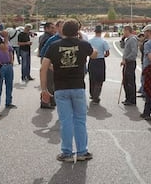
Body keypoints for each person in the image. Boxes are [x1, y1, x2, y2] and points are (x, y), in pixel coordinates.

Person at [40, 19, 98, 162]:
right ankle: (82, 152)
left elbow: (43, 67)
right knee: (80, 120)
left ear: (62, 31)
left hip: (60, 88)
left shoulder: (54, 46)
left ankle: (66, 152)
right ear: (77, 31)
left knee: (65, 121)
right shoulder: (83, 44)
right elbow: (94, 54)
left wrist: (44, 89)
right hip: (78, 87)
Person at [39, 20, 65, 109]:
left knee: (54, 84)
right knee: (49, 84)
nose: (63, 28)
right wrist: (48, 66)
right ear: (58, 28)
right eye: (61, 26)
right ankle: (45, 102)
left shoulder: (64, 38)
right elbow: (43, 53)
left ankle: (52, 100)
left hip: (58, 66)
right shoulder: (53, 39)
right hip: (50, 65)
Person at [88, 25, 110, 104]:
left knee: (92, 78)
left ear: (95, 32)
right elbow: (107, 53)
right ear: (101, 32)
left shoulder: (90, 41)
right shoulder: (103, 41)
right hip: (100, 61)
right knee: (99, 79)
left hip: (92, 60)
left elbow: (87, 52)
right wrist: (102, 55)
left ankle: (92, 94)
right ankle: (96, 96)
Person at [0, 35, 17, 110]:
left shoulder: (6, 41)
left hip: (8, 65)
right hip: (0, 66)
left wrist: (11, 62)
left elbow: (10, 51)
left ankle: (8, 102)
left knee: (9, 85)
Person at [120, 25, 138, 106]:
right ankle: (128, 98)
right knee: (125, 81)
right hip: (126, 62)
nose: (123, 33)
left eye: (124, 31)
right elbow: (122, 47)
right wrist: (122, 39)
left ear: (127, 31)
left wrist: (126, 59)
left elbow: (134, 53)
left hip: (130, 63)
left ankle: (132, 99)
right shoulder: (128, 40)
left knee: (130, 81)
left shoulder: (133, 39)